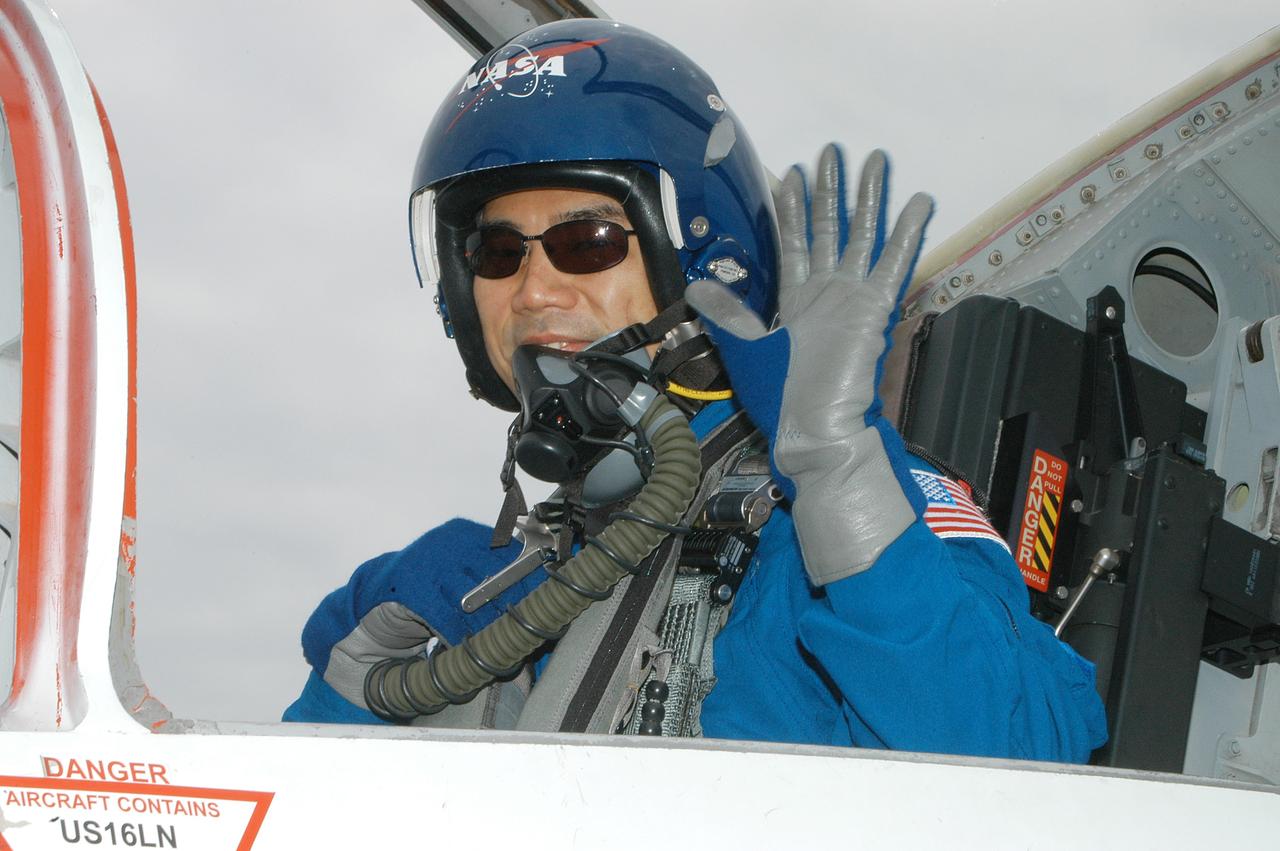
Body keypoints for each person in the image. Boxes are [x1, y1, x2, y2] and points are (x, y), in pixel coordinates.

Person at [284, 19, 1107, 761]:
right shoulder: (499, 581)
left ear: (700, 261)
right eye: (497, 253)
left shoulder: (828, 519)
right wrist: (351, 683)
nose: (532, 290)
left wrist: (841, 475)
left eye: (587, 240)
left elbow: (1026, 754)